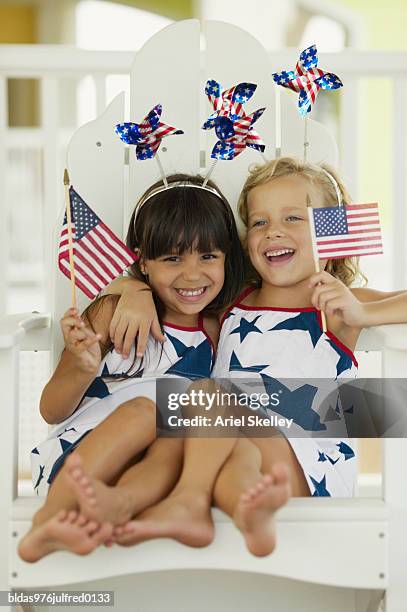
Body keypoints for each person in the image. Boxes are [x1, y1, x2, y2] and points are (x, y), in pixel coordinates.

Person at [96, 157, 407, 553]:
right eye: (259, 222)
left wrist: (366, 312)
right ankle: (247, 514)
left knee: (209, 399)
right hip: (229, 454)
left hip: (303, 464)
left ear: (330, 232)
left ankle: (189, 498)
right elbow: (165, 284)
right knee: (210, 435)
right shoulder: (233, 303)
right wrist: (133, 290)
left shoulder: (336, 307)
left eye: (293, 218)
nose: (274, 231)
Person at [18, 173, 248, 562]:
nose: (192, 274)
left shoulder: (219, 327)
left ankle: (116, 507)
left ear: (227, 256)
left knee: (173, 432)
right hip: (83, 461)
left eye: (208, 256)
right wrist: (81, 364)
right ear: (142, 261)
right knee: (146, 412)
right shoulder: (113, 313)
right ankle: (50, 520)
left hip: (150, 479)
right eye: (172, 258)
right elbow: (52, 410)